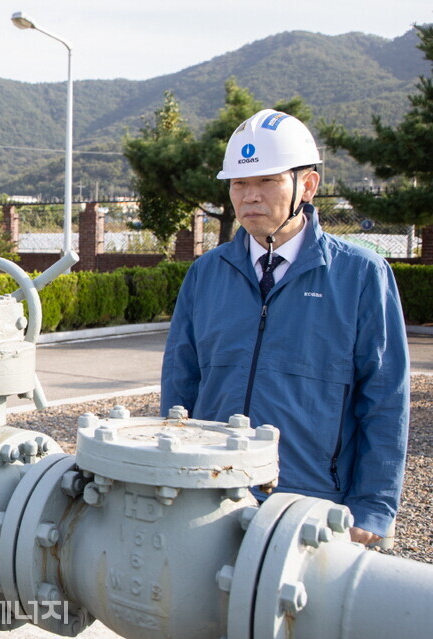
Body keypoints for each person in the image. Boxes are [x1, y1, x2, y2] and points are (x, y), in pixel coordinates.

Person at [160, 109, 410, 546]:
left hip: (312, 501)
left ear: (307, 185)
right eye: (240, 183)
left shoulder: (360, 275)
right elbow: (180, 384)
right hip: (213, 494)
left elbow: (385, 397)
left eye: (267, 181)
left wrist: (374, 506)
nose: (250, 197)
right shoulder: (206, 273)